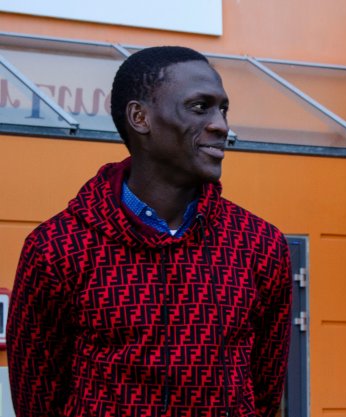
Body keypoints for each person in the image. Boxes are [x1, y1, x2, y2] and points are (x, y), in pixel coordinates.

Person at [7, 46, 292, 416]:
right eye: (200, 106)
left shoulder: (260, 245)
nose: (221, 124)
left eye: (223, 109)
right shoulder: (57, 248)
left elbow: (264, 392)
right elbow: (37, 397)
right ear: (140, 117)